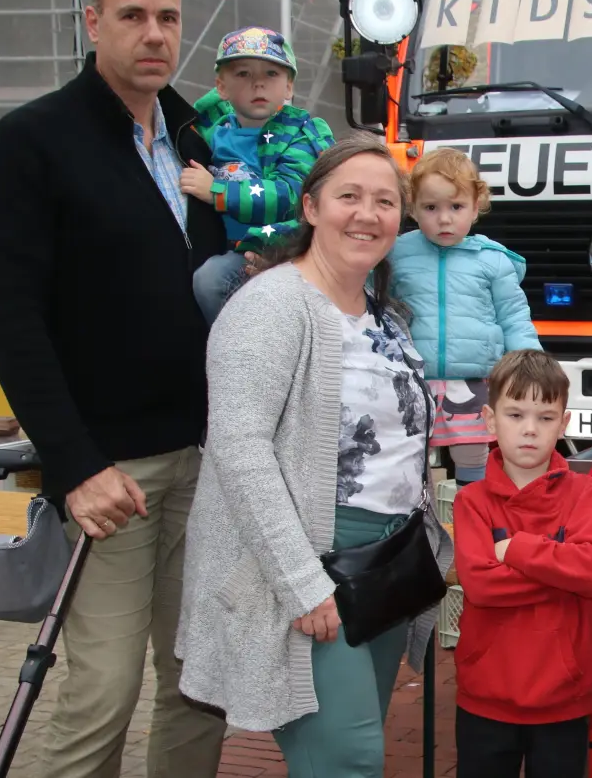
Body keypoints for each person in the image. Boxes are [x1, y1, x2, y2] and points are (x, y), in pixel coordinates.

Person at [0, 0, 228, 778]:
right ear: (93, 24)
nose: (155, 35)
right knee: (104, 692)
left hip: (210, 459)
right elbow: (8, 320)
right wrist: (75, 465)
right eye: (132, 16)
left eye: (169, 18)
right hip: (113, 472)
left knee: (200, 682)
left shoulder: (200, 137)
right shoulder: (33, 142)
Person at [176, 134, 454, 777]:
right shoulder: (271, 306)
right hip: (307, 564)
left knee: (352, 749)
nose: (367, 214)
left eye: (385, 201)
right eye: (348, 197)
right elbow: (239, 451)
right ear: (309, 207)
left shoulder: (384, 314)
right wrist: (301, 583)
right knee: (348, 760)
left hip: (383, 564)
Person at [452, 349, 592, 778]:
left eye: (545, 417)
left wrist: (517, 550)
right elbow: (481, 585)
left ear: (563, 424)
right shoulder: (471, 502)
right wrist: (564, 569)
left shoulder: (586, 494)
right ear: (489, 420)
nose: (530, 430)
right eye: (515, 414)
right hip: (486, 696)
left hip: (564, 698)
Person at [390, 146, 541, 486]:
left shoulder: (492, 260)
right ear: (413, 209)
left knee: (472, 456)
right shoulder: (395, 254)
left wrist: (530, 367)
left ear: (475, 208)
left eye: (456, 207)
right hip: (413, 378)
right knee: (411, 456)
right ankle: (421, 522)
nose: (444, 219)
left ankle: (472, 514)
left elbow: (514, 317)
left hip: (473, 381)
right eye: (431, 207)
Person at [181, 25, 335, 322]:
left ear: (289, 86)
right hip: (229, 250)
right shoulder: (213, 132)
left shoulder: (300, 133)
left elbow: (292, 195)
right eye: (243, 74)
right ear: (221, 87)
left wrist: (217, 192)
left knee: (210, 281)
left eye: (271, 74)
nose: (258, 85)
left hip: (285, 249)